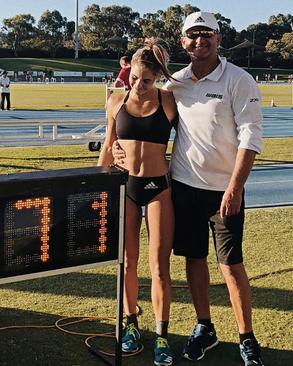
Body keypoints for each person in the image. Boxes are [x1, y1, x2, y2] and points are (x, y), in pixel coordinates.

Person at [113, 11, 265, 365]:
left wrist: (235, 187)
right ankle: (204, 327)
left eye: (207, 34)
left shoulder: (239, 80)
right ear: (183, 42)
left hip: (224, 190)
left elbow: (251, 136)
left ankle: (247, 337)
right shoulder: (175, 85)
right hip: (182, 187)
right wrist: (117, 149)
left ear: (218, 38)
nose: (200, 40)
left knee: (231, 264)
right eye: (193, 35)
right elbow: (139, 119)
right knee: (194, 260)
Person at [98, 39, 178, 366]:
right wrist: (101, 178)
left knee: (159, 267)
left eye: (146, 81)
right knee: (128, 263)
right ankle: (131, 324)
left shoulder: (170, 101)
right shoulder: (116, 102)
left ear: (158, 76)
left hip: (159, 187)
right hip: (126, 186)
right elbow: (107, 146)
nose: (138, 86)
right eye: (133, 78)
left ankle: (161, 336)